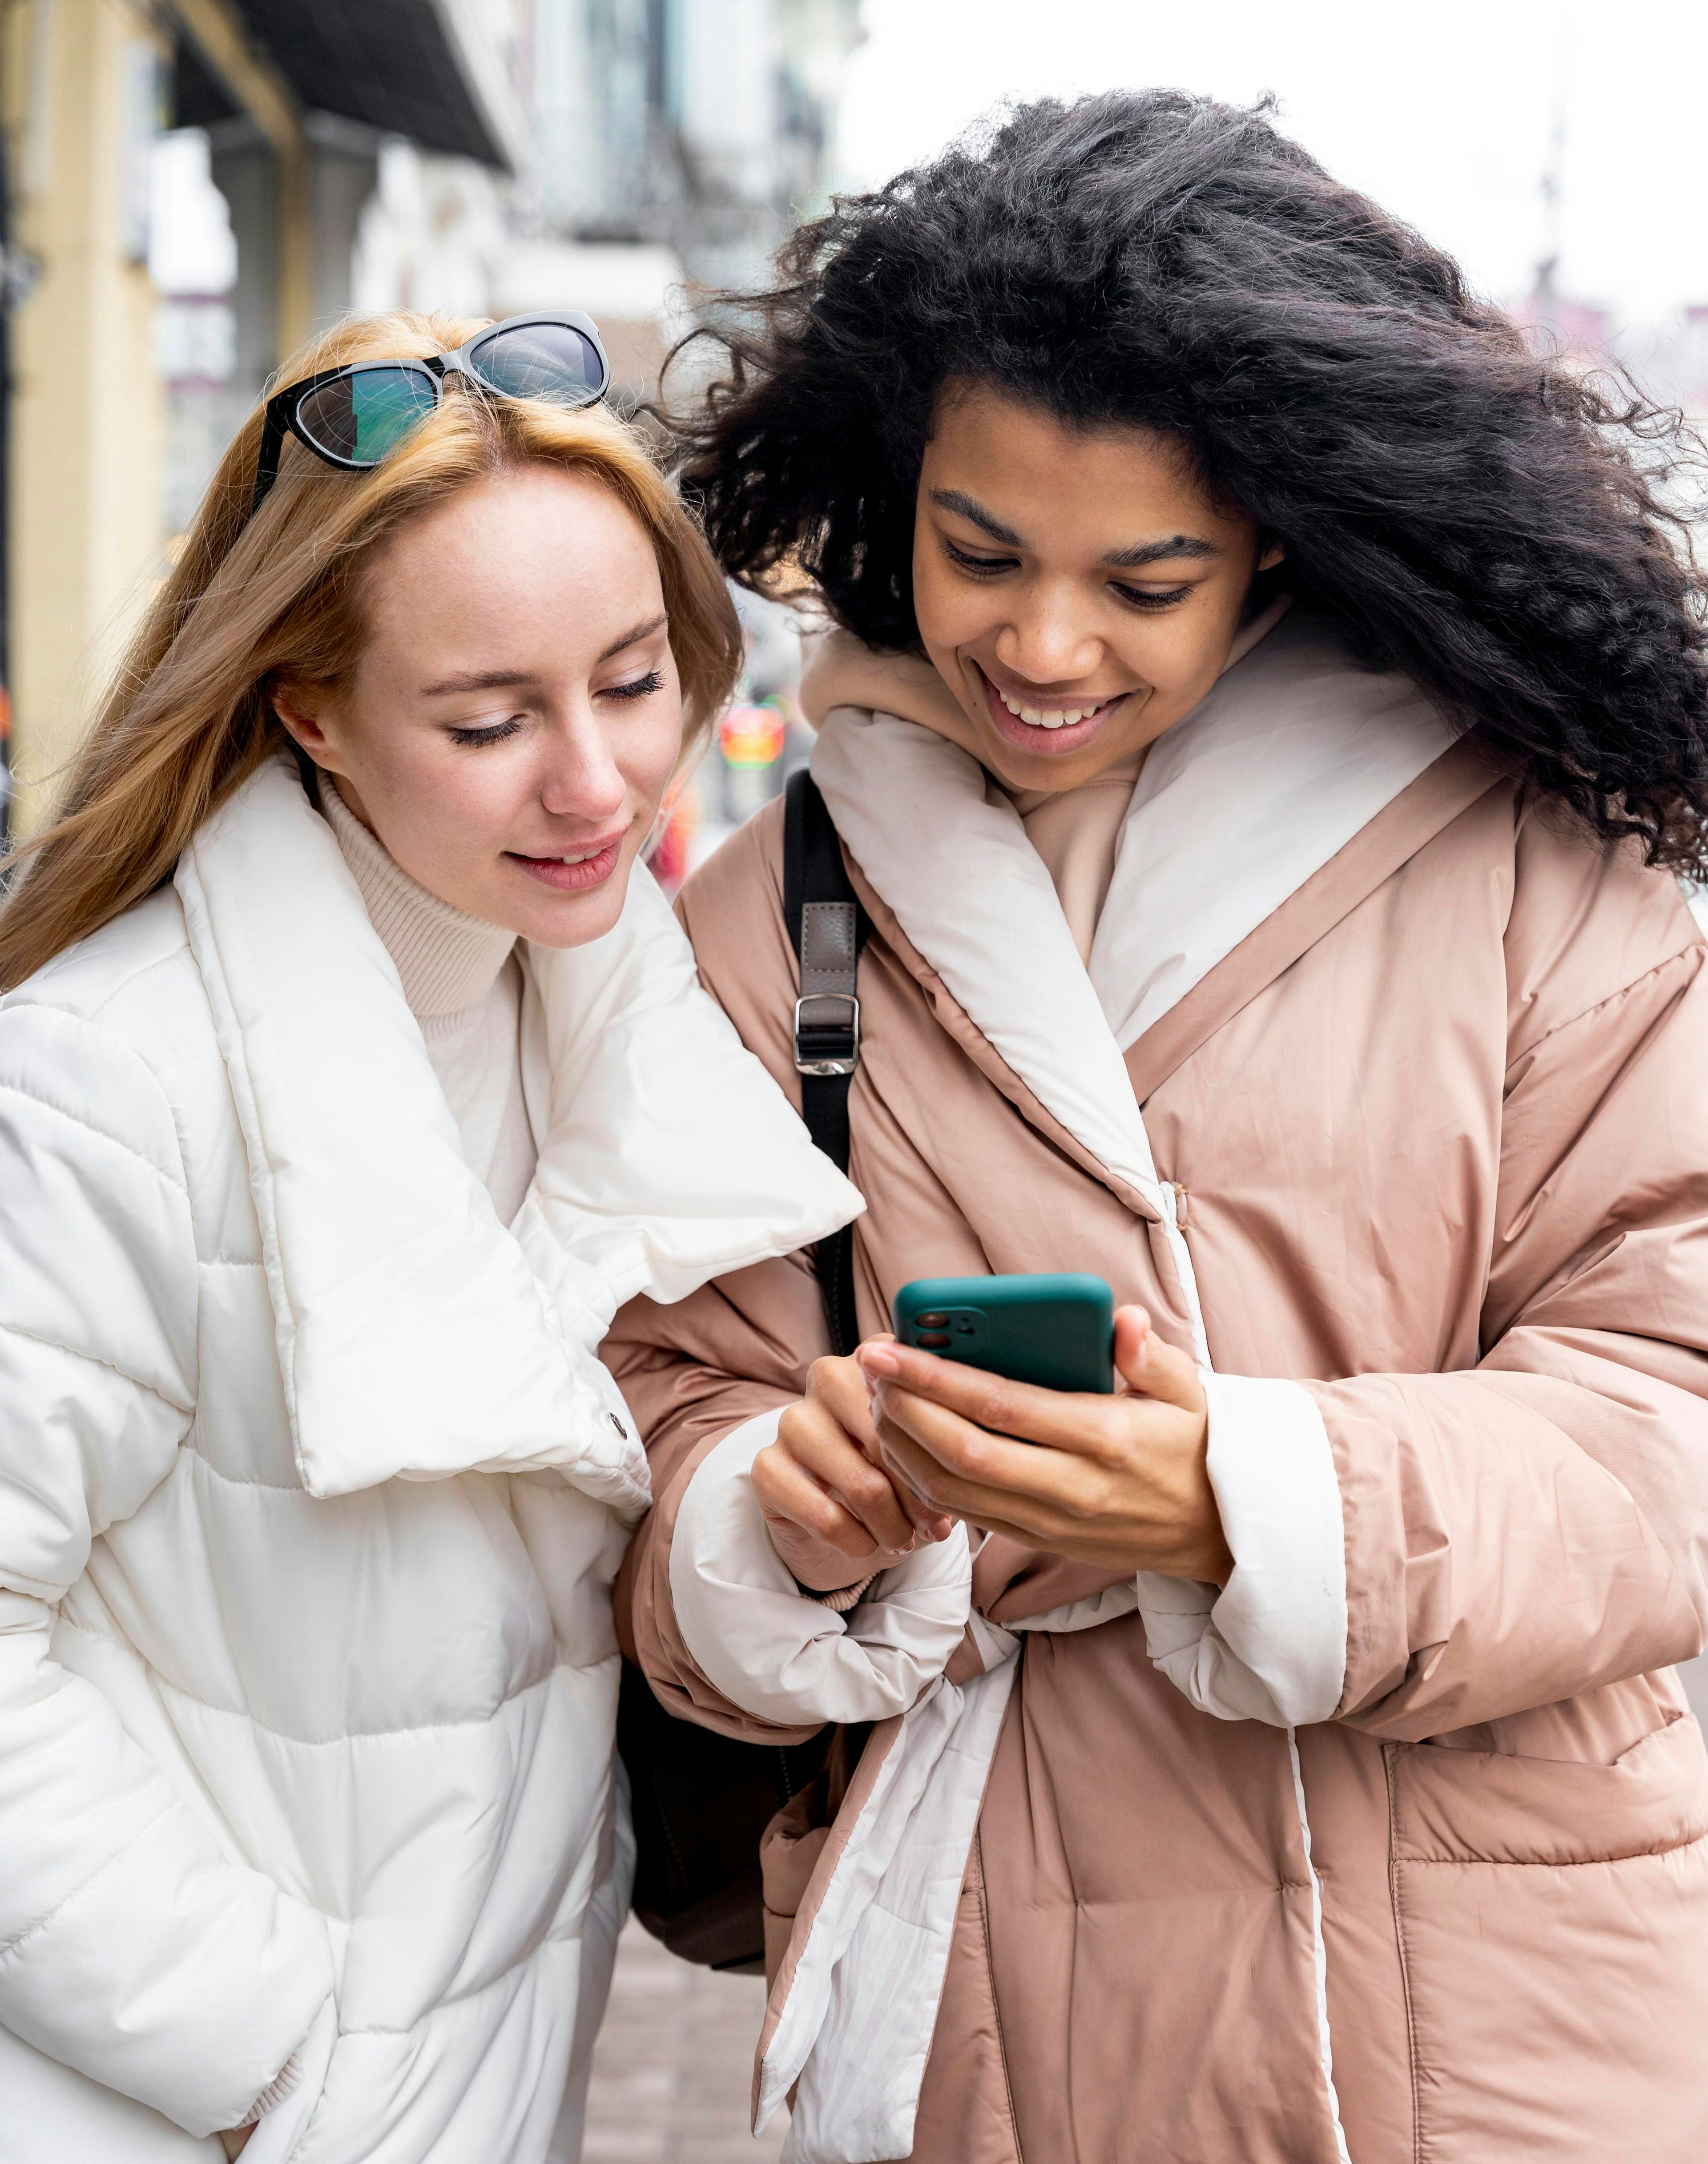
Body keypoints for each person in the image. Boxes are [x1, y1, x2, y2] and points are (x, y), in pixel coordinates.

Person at [607, 92, 1708, 2164]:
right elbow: (660, 1406)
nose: (1041, 644)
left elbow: (1673, 1399)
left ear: (1273, 532)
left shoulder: (1527, 859)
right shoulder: (777, 908)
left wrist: (1248, 1500)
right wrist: (780, 1513)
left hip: (1491, 2003)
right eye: (980, 551)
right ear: (894, 492)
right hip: (1001, 1992)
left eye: (1147, 576)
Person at [0, 309, 859, 2164]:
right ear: (309, 708)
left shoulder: (634, 1024)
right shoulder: (102, 1078)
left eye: (634, 681)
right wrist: (291, 2058)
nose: (597, 781)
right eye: (487, 719)